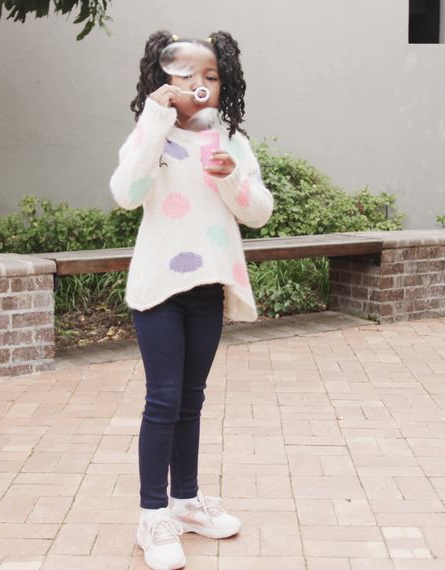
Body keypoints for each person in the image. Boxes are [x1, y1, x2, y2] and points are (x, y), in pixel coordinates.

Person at [109, 29, 274, 570]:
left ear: (225, 86)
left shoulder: (230, 141)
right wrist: (154, 123)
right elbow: (125, 194)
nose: (198, 86)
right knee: (163, 399)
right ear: (162, 80)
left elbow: (258, 211)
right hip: (159, 286)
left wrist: (230, 179)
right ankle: (151, 515)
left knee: (191, 399)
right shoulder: (149, 133)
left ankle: (184, 503)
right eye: (184, 75)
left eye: (211, 77)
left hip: (207, 285)